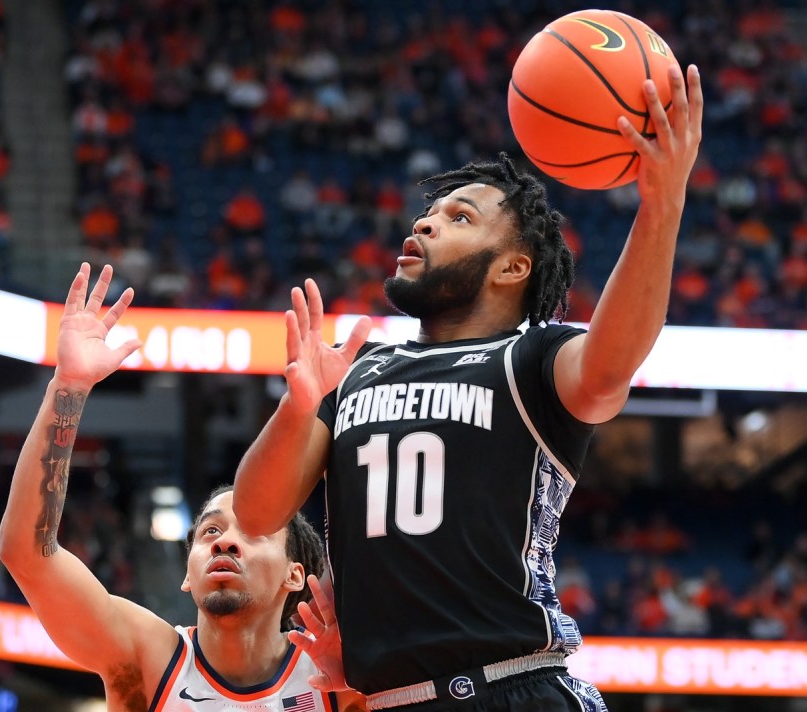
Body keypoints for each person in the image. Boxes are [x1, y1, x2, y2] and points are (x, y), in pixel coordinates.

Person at [233, 63, 703, 711]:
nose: (424, 224)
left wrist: (662, 202)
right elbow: (257, 515)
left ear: (514, 265)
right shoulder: (356, 373)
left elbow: (608, 363)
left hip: (513, 685)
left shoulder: (533, 357)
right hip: (392, 699)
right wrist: (298, 405)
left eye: (459, 217)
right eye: (428, 213)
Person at [0, 263, 365, 711]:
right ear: (187, 576)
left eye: (253, 533)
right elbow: (26, 552)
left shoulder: (336, 675)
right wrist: (68, 387)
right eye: (210, 532)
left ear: (295, 575)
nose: (226, 542)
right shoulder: (146, 658)